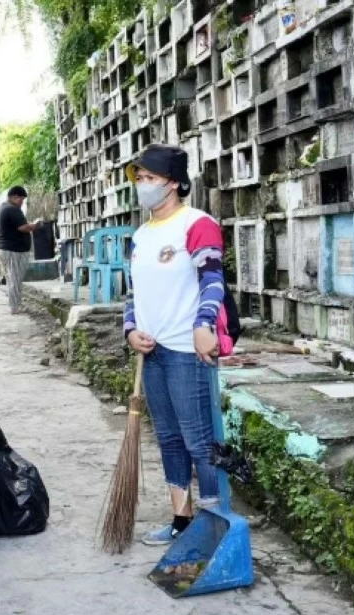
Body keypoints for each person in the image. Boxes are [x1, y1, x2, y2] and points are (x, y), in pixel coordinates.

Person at [122, 144, 226, 546]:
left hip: (187, 350)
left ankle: (215, 518)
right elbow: (133, 294)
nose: (142, 186)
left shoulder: (197, 224)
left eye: (150, 178)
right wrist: (131, 330)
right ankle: (182, 519)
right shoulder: (141, 235)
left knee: (198, 437)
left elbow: (213, 280)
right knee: (168, 437)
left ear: (174, 183)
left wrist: (204, 325)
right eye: (139, 179)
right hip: (153, 353)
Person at [0, 186, 41, 314]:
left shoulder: (2, 208)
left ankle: (14, 304)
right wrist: (35, 225)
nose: (22, 202)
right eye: (21, 199)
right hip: (13, 250)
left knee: (11, 278)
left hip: (6, 248)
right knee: (15, 279)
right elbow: (23, 228)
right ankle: (15, 307)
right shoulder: (13, 210)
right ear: (15, 197)